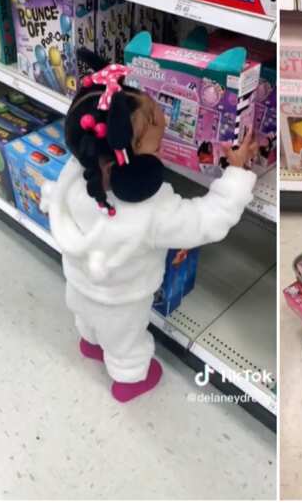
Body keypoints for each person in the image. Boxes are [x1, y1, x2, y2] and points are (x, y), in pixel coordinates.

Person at [43, 49, 257, 402]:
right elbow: (208, 221)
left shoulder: (74, 178)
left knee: (89, 322)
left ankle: (90, 342)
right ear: (135, 160)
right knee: (126, 343)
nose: (164, 127)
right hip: (123, 303)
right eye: (157, 132)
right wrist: (236, 175)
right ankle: (129, 379)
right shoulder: (152, 210)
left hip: (79, 286)